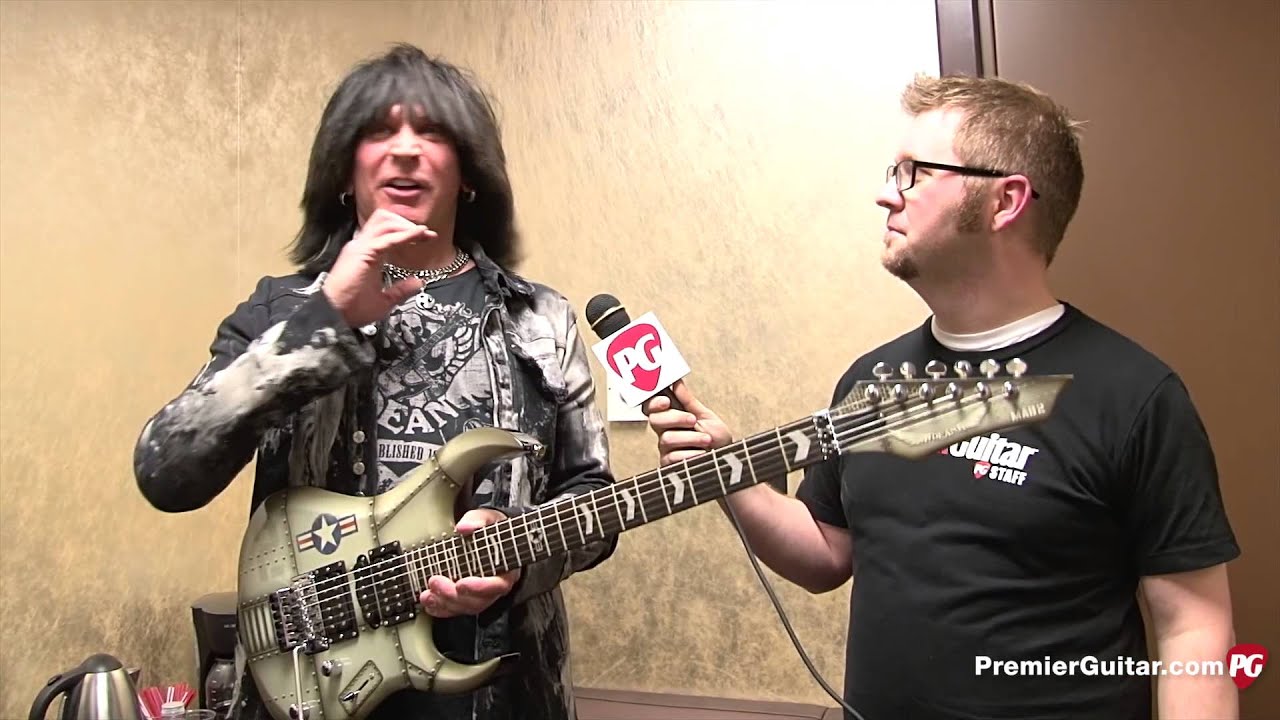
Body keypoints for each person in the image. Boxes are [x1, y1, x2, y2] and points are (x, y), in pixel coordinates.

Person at [646, 75, 1240, 720]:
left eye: (914, 173)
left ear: (1005, 201)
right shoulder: (870, 380)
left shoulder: (1135, 396)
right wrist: (730, 475)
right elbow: (826, 554)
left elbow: (1195, 634)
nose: (885, 194)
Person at [134, 43, 615, 720]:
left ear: (469, 174)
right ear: (343, 171)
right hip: (310, 688)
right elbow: (166, 472)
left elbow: (593, 505)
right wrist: (326, 318)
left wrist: (519, 557)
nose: (407, 150)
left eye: (433, 131)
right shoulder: (280, 311)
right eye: (379, 130)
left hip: (504, 696)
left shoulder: (542, 320)